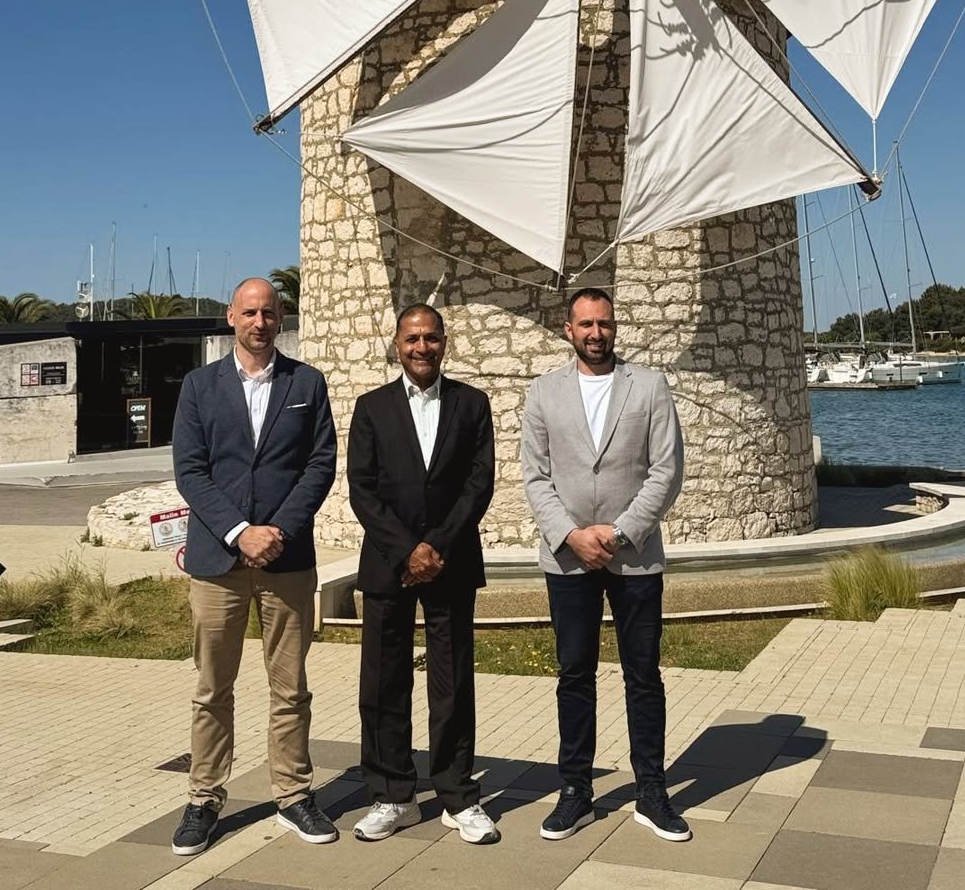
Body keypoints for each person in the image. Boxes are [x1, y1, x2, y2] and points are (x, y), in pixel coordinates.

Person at [170, 277, 338, 856]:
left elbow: (320, 466)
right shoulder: (198, 387)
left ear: (280, 318)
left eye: (269, 312)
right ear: (231, 317)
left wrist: (279, 531)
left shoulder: (307, 383)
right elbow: (191, 472)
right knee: (212, 686)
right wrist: (241, 533)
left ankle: (293, 795)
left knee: (290, 687)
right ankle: (203, 797)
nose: (259, 321)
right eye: (249, 312)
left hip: (287, 560)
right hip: (217, 561)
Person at [521, 286, 690, 843]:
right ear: (567, 329)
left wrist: (619, 533)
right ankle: (575, 790)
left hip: (634, 556)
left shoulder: (650, 386)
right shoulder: (543, 393)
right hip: (567, 558)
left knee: (643, 677)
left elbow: (666, 471)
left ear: (616, 328)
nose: (597, 334)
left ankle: (651, 792)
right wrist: (572, 535)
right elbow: (536, 477)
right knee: (574, 675)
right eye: (586, 324)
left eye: (606, 324)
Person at [347, 304, 499, 846]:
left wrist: (436, 546)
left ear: (444, 343)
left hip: (451, 561)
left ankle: (457, 793)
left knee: (452, 681)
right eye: (412, 338)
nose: (421, 347)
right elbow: (361, 489)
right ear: (396, 343)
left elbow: (479, 483)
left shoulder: (471, 404)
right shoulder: (371, 408)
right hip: (389, 564)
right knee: (384, 681)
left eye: (431, 338)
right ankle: (392, 794)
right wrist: (407, 550)